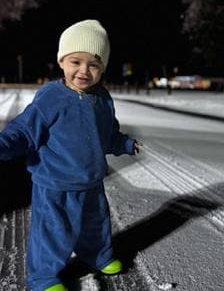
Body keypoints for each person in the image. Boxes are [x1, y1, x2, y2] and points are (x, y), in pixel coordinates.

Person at [0, 19, 141, 291]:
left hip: (91, 181)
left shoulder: (101, 99)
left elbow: (108, 134)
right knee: (53, 232)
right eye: (76, 62)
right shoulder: (51, 97)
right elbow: (24, 130)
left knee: (96, 226)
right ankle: (43, 277)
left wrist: (123, 144)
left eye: (94, 64)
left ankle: (97, 256)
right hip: (55, 184)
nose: (84, 71)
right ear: (62, 61)